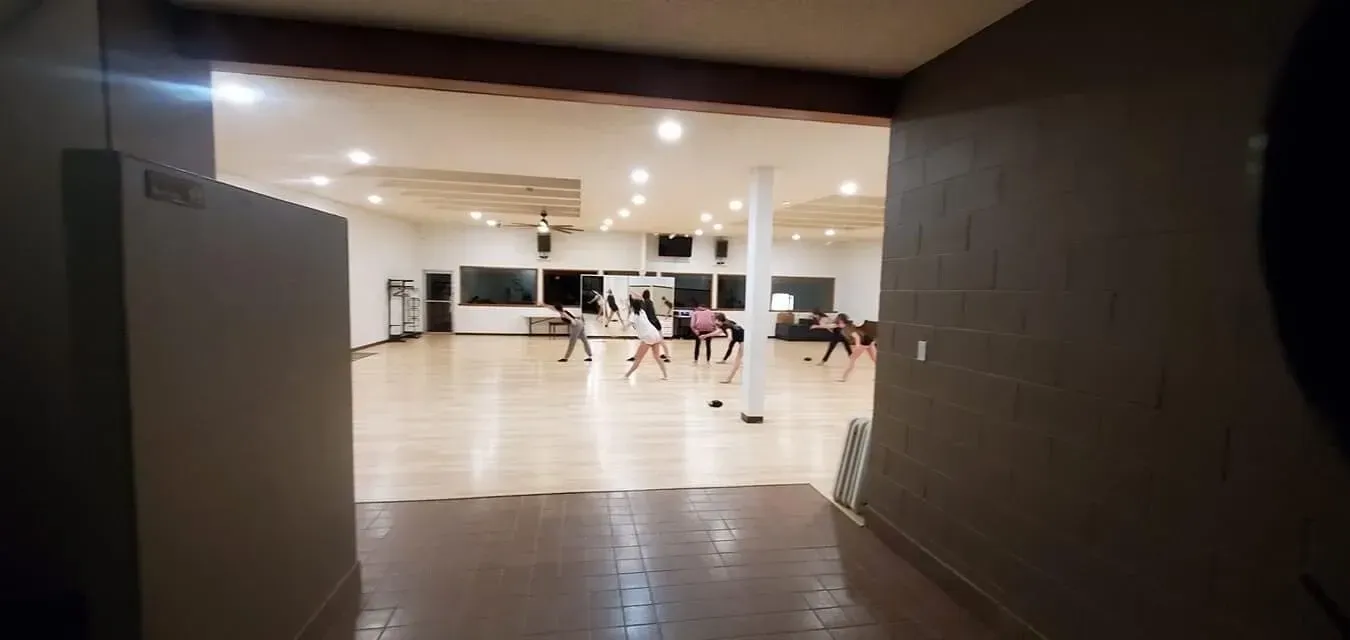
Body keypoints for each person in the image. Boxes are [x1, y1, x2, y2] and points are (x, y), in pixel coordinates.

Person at [623, 294, 669, 380]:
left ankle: (627, 375)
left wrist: (623, 328)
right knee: (657, 357)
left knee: (638, 358)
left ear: (632, 306)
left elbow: (626, 326)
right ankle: (665, 375)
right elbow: (640, 300)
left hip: (648, 337)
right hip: (655, 334)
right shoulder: (642, 312)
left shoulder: (633, 315)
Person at [837, 313, 878, 382]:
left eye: (838, 322)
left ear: (841, 321)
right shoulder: (849, 325)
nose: (837, 325)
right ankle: (881, 376)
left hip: (864, 342)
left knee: (852, 358)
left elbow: (857, 336)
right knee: (875, 359)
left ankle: (844, 378)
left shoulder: (847, 329)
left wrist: (857, 346)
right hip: (869, 339)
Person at [714, 313, 746, 383]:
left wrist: (729, 337)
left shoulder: (726, 325)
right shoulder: (728, 322)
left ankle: (729, 379)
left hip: (745, 340)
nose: (714, 321)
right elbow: (718, 332)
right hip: (741, 339)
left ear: (719, 320)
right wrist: (706, 335)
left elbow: (729, 331)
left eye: (715, 320)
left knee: (737, 361)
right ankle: (729, 379)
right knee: (737, 360)